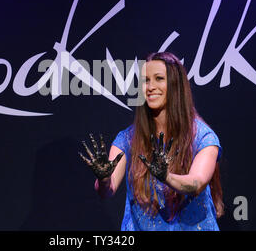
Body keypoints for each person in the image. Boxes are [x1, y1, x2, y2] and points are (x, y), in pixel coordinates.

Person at [79, 51, 224, 231]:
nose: (150, 86)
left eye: (159, 79)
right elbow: (107, 191)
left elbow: (196, 183)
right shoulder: (127, 139)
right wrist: (104, 179)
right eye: (146, 81)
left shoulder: (202, 137)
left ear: (175, 86)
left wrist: (166, 177)